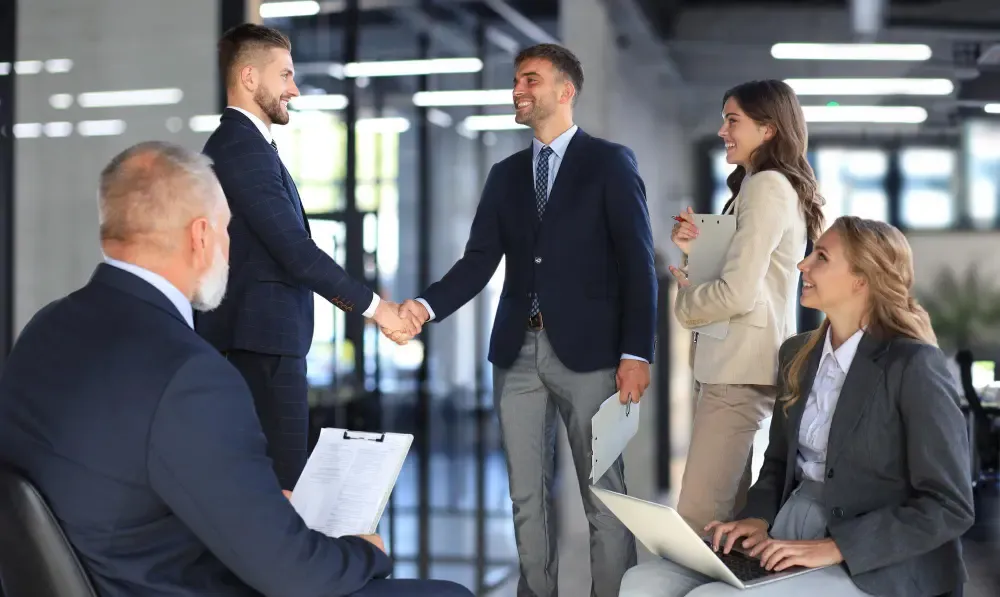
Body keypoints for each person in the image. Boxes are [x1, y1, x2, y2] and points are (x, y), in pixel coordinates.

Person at [0, 142, 471, 597]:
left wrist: (260, 505)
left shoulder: (47, 329)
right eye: (229, 232)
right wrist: (364, 553)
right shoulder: (189, 373)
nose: (229, 248)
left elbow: (125, 472)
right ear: (201, 236)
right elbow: (297, 578)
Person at [397, 44, 657, 597]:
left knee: (603, 495)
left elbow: (638, 265)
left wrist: (638, 352)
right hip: (516, 354)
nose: (518, 90)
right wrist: (424, 306)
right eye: (516, 80)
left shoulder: (610, 163)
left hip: (592, 358)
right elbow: (477, 262)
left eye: (530, 80)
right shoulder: (506, 174)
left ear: (565, 91)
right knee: (525, 498)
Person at [620, 216, 974, 597]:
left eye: (821, 257)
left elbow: (949, 504)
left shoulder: (913, 364)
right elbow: (777, 464)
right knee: (642, 581)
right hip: (788, 531)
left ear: (862, 280)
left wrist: (837, 548)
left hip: (878, 560)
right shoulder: (797, 355)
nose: (803, 265)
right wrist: (757, 518)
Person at [197, 23, 418, 491]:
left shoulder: (253, 148)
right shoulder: (240, 148)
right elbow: (295, 253)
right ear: (250, 77)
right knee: (281, 487)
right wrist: (379, 311)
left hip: (266, 342)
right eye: (286, 75)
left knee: (275, 485)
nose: (294, 89)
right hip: (261, 346)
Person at [668, 80, 825, 532]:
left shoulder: (767, 187)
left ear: (769, 129)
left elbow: (736, 293)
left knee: (697, 519)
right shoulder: (756, 185)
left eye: (732, 120)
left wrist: (685, 305)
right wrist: (692, 253)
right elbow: (740, 277)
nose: (722, 131)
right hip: (732, 367)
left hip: (738, 371)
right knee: (725, 520)